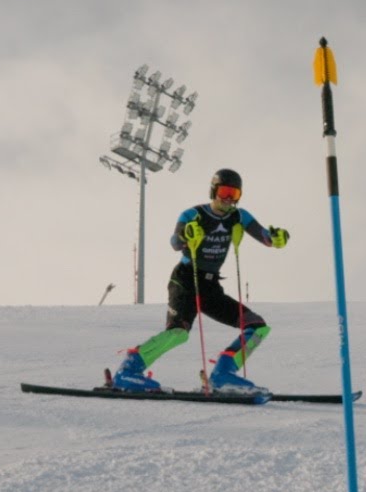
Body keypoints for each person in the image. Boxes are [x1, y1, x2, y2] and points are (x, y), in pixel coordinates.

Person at [111, 168, 290, 393]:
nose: (228, 199)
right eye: (224, 192)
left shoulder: (239, 216)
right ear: (213, 191)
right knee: (178, 333)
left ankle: (223, 374)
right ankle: (128, 371)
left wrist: (277, 238)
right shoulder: (193, 215)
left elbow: (265, 237)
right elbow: (175, 242)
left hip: (210, 286)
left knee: (256, 326)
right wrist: (187, 235)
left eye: (234, 195)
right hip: (185, 280)